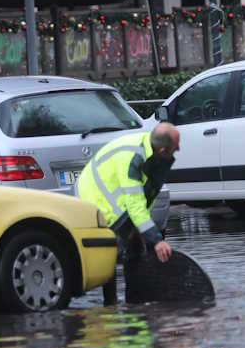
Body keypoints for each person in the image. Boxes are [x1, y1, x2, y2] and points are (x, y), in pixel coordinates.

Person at [76, 123, 180, 303]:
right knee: (109, 256)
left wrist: (144, 231)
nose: (179, 148)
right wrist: (156, 240)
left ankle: (134, 302)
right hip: (94, 201)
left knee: (135, 250)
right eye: (176, 146)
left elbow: (146, 197)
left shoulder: (152, 153)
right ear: (163, 149)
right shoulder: (132, 159)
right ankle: (111, 305)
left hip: (117, 201)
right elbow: (134, 205)